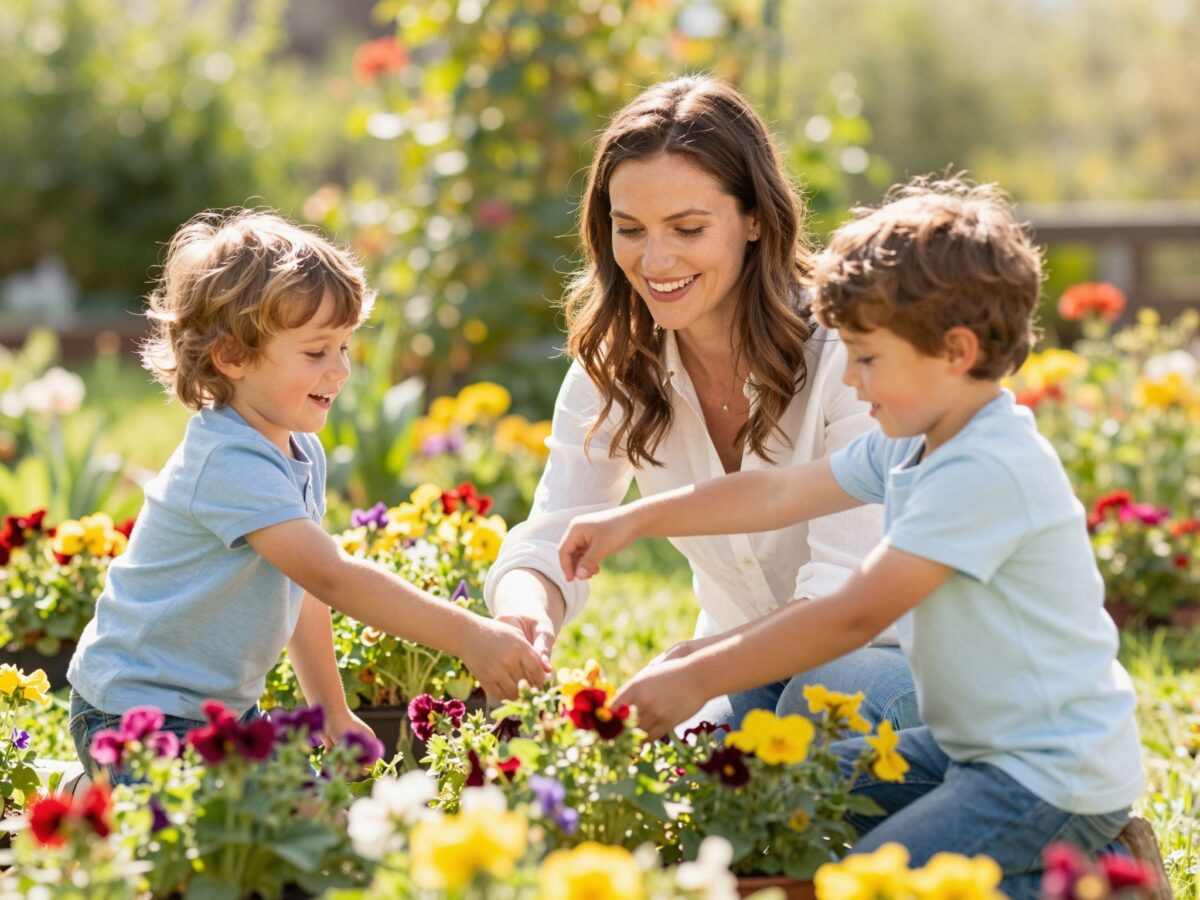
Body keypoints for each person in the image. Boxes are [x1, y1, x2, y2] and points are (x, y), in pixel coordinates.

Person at [557, 175, 1143, 897]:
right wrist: (634, 518)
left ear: (956, 351)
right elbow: (775, 491)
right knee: (781, 795)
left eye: (867, 360)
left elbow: (853, 615)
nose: (854, 383)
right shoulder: (912, 441)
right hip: (971, 751)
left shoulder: (985, 468)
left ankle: (1099, 882)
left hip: (1049, 775)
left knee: (863, 882)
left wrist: (699, 673)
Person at [484, 75, 919, 734]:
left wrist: (698, 666)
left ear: (753, 219)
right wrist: (526, 610)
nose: (655, 260)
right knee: (662, 760)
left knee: (817, 701)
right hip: (740, 670)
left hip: (897, 661)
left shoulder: (846, 352)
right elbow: (553, 535)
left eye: (687, 227)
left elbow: (843, 599)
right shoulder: (618, 365)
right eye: (629, 228)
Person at [67, 210, 547, 782]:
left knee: (298, 822)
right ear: (232, 358)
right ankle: (85, 794)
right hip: (132, 716)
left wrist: (332, 710)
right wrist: (468, 634)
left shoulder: (296, 450)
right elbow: (331, 575)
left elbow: (301, 587)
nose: (340, 370)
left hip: (220, 715)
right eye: (316, 352)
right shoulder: (228, 461)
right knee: (225, 842)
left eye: (344, 346)